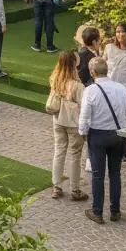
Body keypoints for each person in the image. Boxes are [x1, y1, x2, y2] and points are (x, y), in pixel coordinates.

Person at [78, 56, 126, 224]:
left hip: (98, 135)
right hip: (118, 134)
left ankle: (98, 211)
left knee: (98, 175)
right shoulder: (121, 89)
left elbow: (85, 116)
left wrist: (83, 133)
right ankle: (115, 211)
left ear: (92, 72)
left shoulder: (90, 91)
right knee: (115, 173)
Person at [47, 50, 87, 201]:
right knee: (75, 154)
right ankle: (75, 189)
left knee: (59, 151)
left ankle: (56, 186)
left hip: (58, 120)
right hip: (73, 122)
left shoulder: (55, 79)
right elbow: (83, 106)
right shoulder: (77, 85)